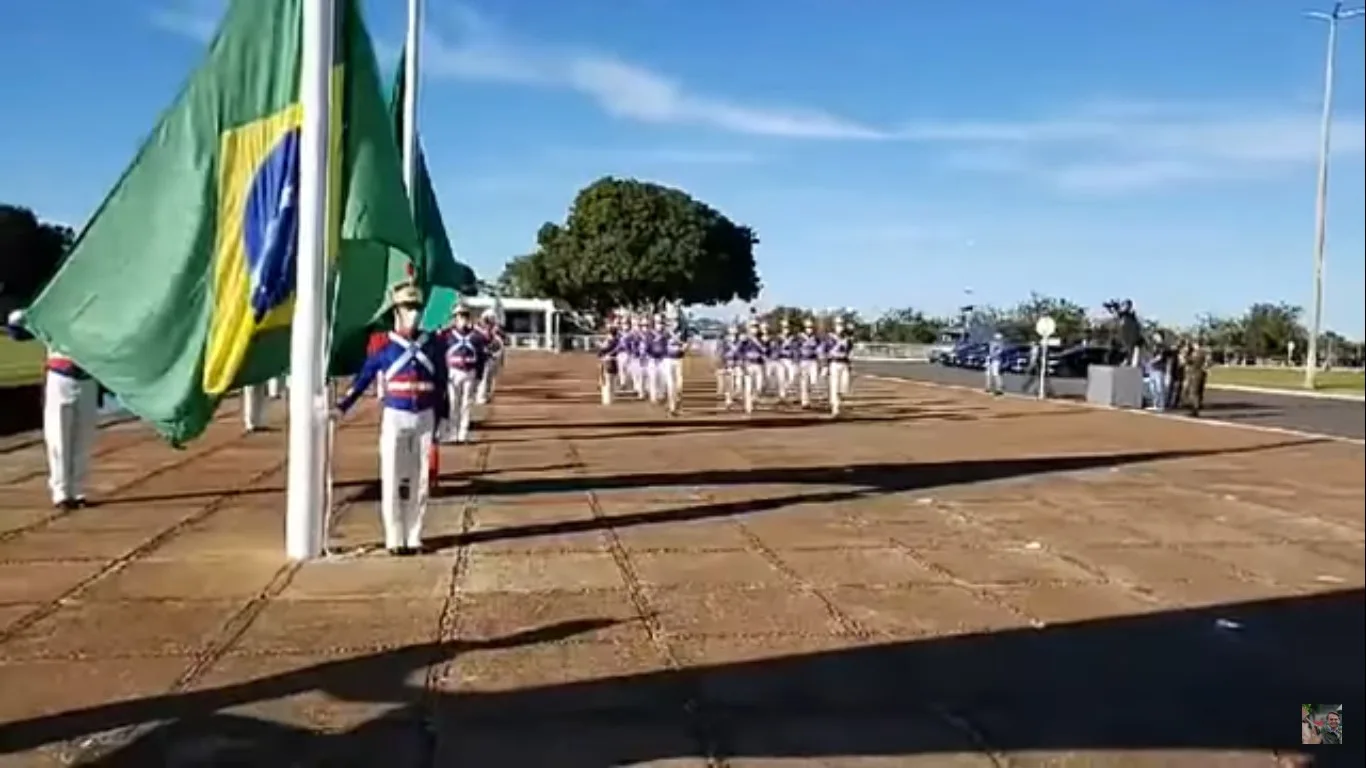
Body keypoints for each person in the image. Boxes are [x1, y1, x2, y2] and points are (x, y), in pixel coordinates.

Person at [333, 280, 448, 556]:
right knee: (393, 475)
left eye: (417, 307)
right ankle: (394, 536)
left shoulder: (432, 344)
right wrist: (342, 406)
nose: (414, 312)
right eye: (408, 307)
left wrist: (444, 416)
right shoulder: (384, 347)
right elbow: (363, 379)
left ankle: (415, 534)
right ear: (396, 311)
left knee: (420, 478)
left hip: (425, 415)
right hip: (395, 414)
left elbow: (443, 383)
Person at [6, 309, 100, 509]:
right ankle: (61, 492)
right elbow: (19, 334)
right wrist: (17, 319)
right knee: (58, 437)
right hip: (60, 376)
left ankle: (78, 490)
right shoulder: (54, 310)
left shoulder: (94, 316)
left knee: (83, 437)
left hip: (87, 378)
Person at [441, 305, 486, 445]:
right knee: (453, 403)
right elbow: (441, 354)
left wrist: (479, 375)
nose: (462, 319)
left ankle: (463, 433)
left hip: (469, 372)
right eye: (459, 316)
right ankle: (453, 433)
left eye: (464, 316)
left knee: (466, 404)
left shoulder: (477, 337)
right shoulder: (447, 335)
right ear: (454, 319)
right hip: (453, 372)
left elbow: (481, 357)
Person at [824, 317, 853, 416]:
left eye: (841, 324)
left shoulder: (847, 338)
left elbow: (849, 352)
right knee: (834, 385)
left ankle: (838, 398)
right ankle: (835, 407)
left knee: (844, 386)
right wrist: (825, 365)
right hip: (834, 363)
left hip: (844, 363)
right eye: (838, 324)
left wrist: (849, 364)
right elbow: (825, 351)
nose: (840, 327)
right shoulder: (830, 338)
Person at [660, 316, 686, 415]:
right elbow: (661, 346)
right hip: (668, 359)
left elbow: (685, 345)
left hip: (679, 359)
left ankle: (678, 401)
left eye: (675, 321)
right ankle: (672, 407)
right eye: (670, 321)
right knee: (671, 384)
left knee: (680, 384)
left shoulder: (682, 332)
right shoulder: (665, 333)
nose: (673, 323)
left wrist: (683, 347)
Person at [796, 317, 823, 409]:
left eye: (811, 327)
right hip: (803, 361)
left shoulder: (816, 338)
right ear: (804, 327)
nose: (809, 329)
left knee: (813, 380)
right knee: (804, 382)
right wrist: (796, 361)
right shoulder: (800, 337)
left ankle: (808, 395)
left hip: (813, 361)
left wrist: (821, 361)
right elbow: (796, 350)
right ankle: (805, 401)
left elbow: (820, 349)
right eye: (807, 327)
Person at [774, 318, 798, 404]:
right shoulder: (778, 337)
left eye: (787, 327)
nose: (785, 329)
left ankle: (786, 389)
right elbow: (775, 349)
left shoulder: (793, 337)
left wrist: (795, 360)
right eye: (784, 327)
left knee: (792, 377)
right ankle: (782, 396)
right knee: (781, 378)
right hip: (781, 359)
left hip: (790, 360)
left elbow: (795, 349)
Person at [597, 321, 621, 406]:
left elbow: (600, 352)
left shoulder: (609, 341)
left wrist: (601, 348)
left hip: (608, 361)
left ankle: (607, 400)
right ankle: (611, 398)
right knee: (612, 381)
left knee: (607, 381)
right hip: (614, 361)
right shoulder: (617, 340)